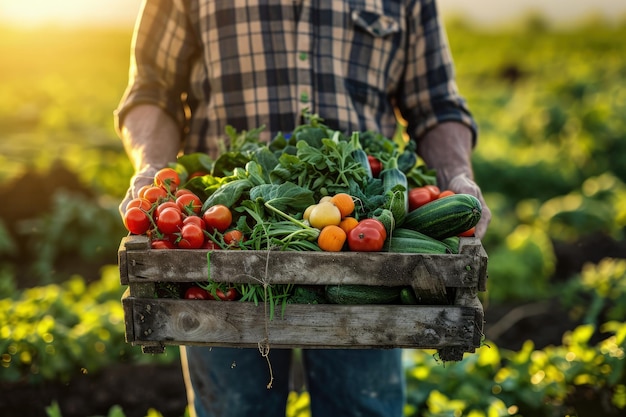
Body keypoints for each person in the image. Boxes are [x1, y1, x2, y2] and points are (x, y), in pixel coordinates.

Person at [115, 1, 491, 416]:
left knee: (359, 409)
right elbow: (153, 90)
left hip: (365, 258)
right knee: (234, 411)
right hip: (222, 249)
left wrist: (458, 176)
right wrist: (151, 170)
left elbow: (436, 103)